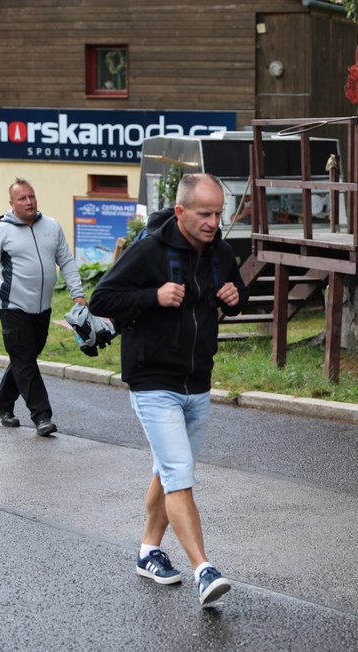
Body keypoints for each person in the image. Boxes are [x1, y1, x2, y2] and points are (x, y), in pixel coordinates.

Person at [89, 173, 249, 605]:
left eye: (218, 213)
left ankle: (148, 552)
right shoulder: (149, 251)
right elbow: (102, 298)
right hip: (152, 378)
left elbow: (234, 296)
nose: (214, 222)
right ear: (180, 212)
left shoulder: (220, 253)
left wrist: (236, 296)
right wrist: (153, 297)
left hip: (197, 380)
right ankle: (204, 568)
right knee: (179, 474)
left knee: (167, 470)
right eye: (204, 214)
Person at [0, 178, 87, 437]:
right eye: (22, 198)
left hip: (42, 309)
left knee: (24, 359)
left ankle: (3, 405)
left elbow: (67, 261)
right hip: (12, 307)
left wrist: (78, 295)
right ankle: (42, 416)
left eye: (31, 196)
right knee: (25, 360)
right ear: (11, 203)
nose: (29, 202)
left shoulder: (51, 226)